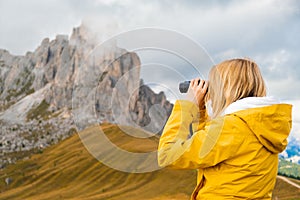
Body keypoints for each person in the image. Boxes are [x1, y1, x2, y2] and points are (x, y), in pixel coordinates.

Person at [158, 58, 292, 199]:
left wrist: (186, 106)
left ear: (226, 88)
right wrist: (201, 110)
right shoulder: (259, 123)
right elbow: (210, 150)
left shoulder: (231, 127)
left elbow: (167, 155)